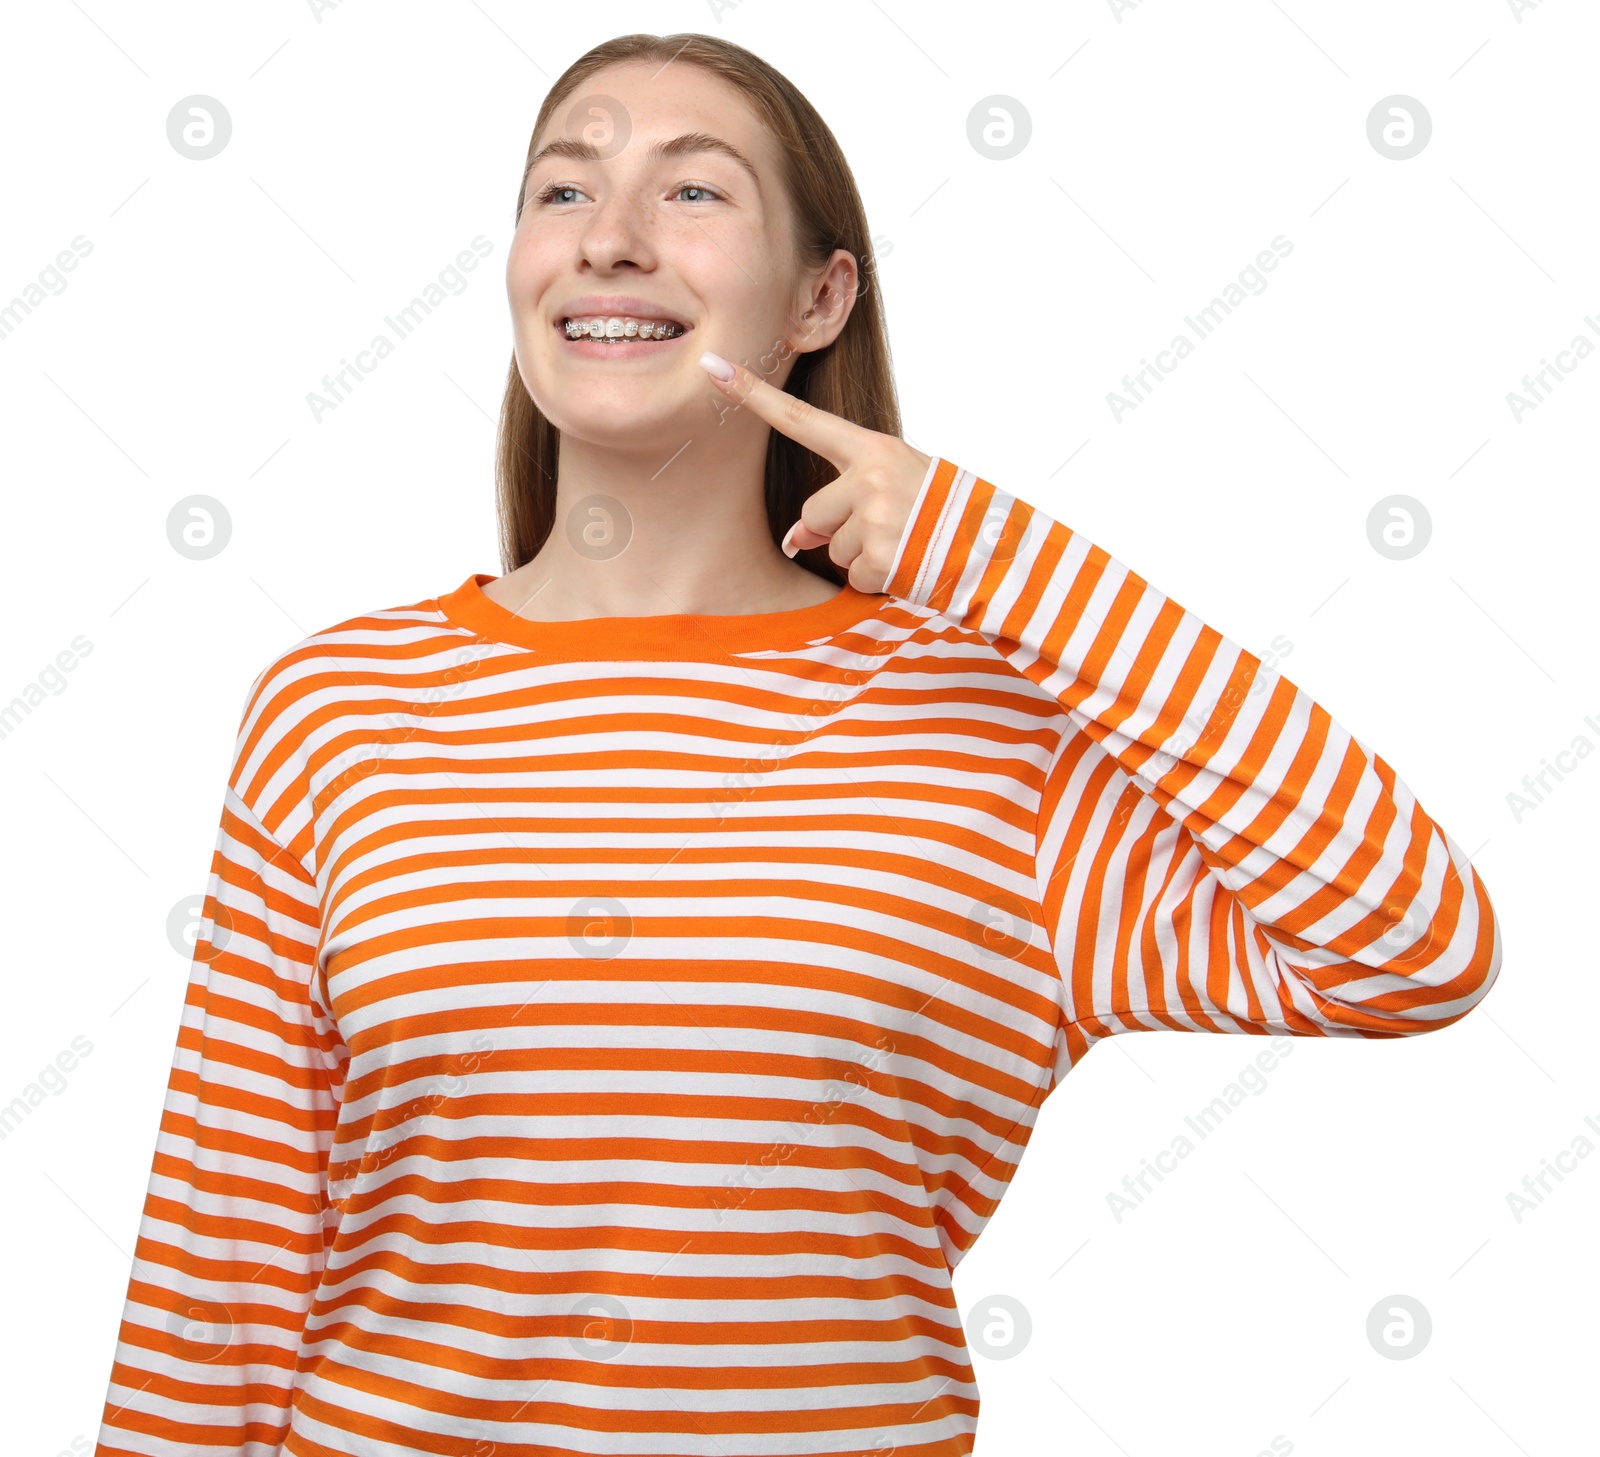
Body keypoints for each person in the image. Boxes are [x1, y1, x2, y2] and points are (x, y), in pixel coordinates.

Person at [92, 30, 1502, 1457]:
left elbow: (1412, 946)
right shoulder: (339, 709)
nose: (614, 241)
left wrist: (986, 550)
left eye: (695, 194)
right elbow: (225, 1266)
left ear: (821, 298)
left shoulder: (981, 737)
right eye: (563, 193)